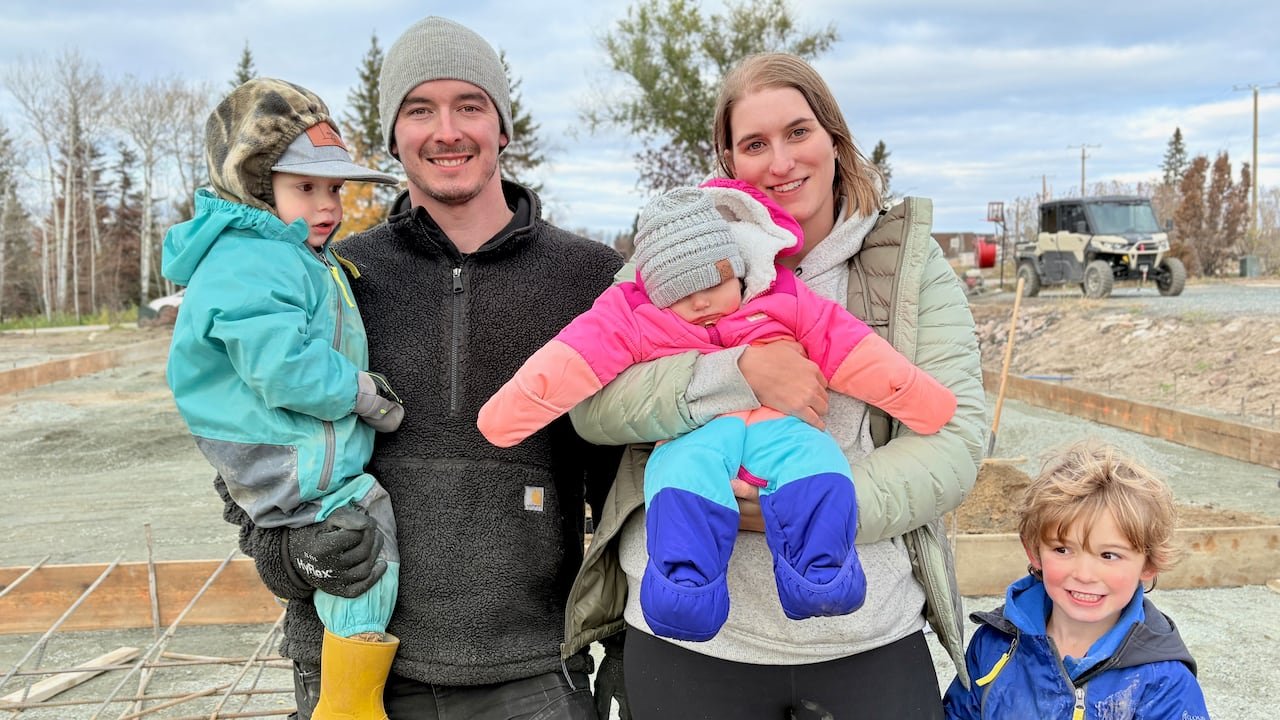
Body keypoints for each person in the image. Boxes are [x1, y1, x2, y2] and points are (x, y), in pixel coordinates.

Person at [210, 16, 624, 720]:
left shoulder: (587, 279)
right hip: (351, 662)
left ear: (503, 126)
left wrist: (627, 640)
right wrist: (292, 558)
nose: (447, 130)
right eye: (419, 109)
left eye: (470, 105)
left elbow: (623, 482)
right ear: (394, 134)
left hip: (529, 671)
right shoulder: (329, 277)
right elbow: (245, 445)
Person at [561, 52, 987, 719]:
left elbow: (955, 442)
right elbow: (591, 404)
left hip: (864, 636)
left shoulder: (908, 267)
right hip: (693, 643)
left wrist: (815, 506)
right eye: (754, 144)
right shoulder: (675, 259)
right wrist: (734, 373)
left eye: (798, 132)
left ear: (835, 140)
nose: (781, 161)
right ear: (728, 161)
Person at [479, 179, 956, 643]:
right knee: (682, 479)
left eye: (714, 282)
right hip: (697, 435)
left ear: (738, 268)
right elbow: (572, 358)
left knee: (816, 463)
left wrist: (915, 396)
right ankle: (684, 591)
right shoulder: (634, 315)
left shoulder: (780, 296)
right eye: (681, 295)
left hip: (781, 428)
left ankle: (822, 576)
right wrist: (510, 410)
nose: (702, 301)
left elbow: (847, 345)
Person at [162, 77, 406, 719]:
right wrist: (363, 395)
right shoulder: (252, 261)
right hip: (282, 456)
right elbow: (284, 370)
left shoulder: (289, 255)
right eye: (306, 187)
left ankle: (347, 689)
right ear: (255, 184)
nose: (329, 205)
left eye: (335, 188)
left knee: (353, 535)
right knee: (360, 537)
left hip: (287, 451)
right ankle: (349, 703)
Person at [942, 441, 1210, 719]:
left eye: (1109, 555)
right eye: (1062, 550)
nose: (1084, 574)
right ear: (1034, 552)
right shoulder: (994, 643)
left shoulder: (1164, 681)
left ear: (1149, 565)